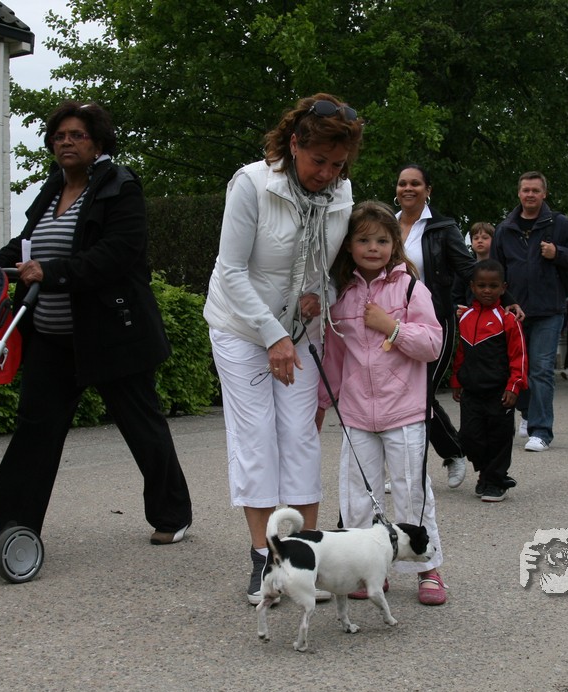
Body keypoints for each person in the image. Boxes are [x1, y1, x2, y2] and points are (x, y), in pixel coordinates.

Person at [0, 100, 193, 556]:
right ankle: (6, 529)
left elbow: (117, 253)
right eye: (59, 136)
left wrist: (51, 272)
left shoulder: (120, 187)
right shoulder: (52, 189)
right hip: (51, 337)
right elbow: (25, 246)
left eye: (77, 135)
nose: (65, 142)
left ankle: (173, 514)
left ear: (98, 142)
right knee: (34, 432)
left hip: (112, 334)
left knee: (141, 426)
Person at [203, 93, 364, 605]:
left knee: (300, 438)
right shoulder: (251, 183)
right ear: (294, 144)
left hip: (299, 332)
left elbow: (332, 270)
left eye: (338, 165)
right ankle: (264, 558)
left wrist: (324, 295)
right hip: (242, 328)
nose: (328, 174)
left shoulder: (341, 192)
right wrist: (271, 334)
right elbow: (230, 270)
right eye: (319, 161)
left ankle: (302, 556)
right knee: (257, 439)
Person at [319, 200, 448, 605]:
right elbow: (334, 357)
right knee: (358, 496)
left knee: (412, 492)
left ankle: (428, 568)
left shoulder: (410, 288)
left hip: (404, 412)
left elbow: (432, 343)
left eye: (381, 240)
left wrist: (392, 326)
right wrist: (322, 402)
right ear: (349, 246)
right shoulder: (341, 294)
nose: (372, 248)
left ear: (394, 244)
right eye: (363, 240)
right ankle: (368, 571)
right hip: (356, 413)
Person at [491, 171, 568, 451]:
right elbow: (495, 270)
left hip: (549, 309)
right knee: (514, 369)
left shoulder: (559, 224)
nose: (530, 195)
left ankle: (541, 431)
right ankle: (527, 412)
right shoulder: (505, 228)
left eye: (535, 190)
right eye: (526, 190)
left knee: (541, 369)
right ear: (519, 193)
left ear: (544, 194)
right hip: (514, 310)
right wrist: (504, 300)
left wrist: (558, 253)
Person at [394, 165, 475, 487]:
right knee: (399, 395)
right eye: (402, 183)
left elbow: (468, 268)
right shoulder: (387, 224)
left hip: (434, 321)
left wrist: (505, 300)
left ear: (428, 190)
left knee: (421, 394)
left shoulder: (443, 228)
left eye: (415, 183)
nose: (408, 188)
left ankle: (453, 452)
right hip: (392, 323)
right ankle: (404, 470)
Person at [451, 259, 528, 502]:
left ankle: (494, 481)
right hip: (471, 392)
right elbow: (460, 353)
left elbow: (519, 356)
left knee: (498, 438)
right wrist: (456, 381)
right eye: (482, 285)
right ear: (472, 287)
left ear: (503, 288)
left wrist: (514, 386)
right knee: (469, 437)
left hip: (499, 393)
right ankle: (487, 473)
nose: (487, 290)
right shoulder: (465, 317)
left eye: (493, 286)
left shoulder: (508, 320)